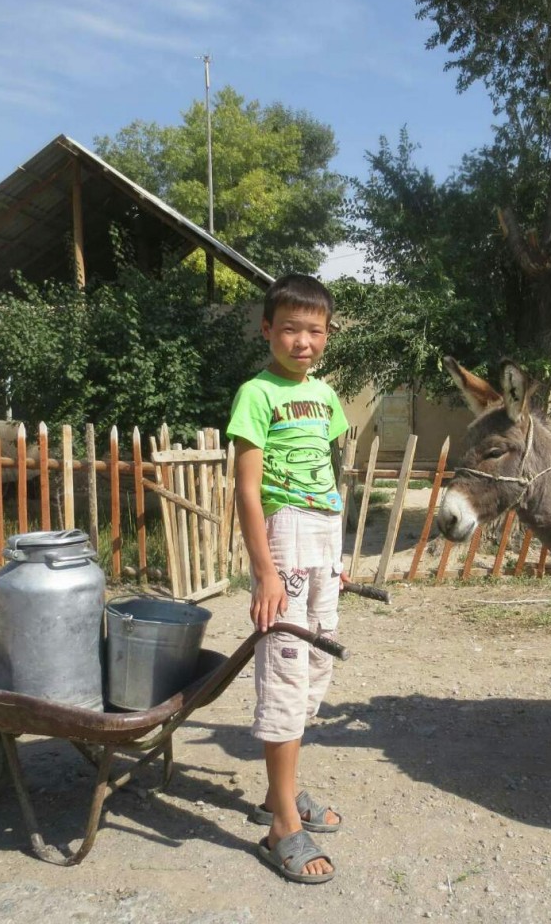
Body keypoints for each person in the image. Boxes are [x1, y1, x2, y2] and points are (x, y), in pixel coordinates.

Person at [226, 273, 349, 884]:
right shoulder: (256, 393)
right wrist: (265, 570)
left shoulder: (326, 396)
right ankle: (281, 825)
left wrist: (337, 557)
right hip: (284, 536)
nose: (304, 341)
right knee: (284, 669)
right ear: (268, 330)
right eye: (292, 329)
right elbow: (247, 490)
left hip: (322, 536)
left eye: (316, 330)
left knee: (316, 665)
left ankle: (285, 789)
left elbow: (327, 476)